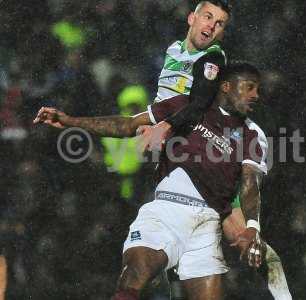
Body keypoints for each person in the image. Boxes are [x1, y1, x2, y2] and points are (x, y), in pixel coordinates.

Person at [34, 62, 267, 300]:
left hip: (208, 225)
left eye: (258, 89)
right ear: (226, 86)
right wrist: (70, 121)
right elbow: (128, 124)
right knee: (133, 278)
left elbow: (250, 183)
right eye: (249, 87)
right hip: (167, 211)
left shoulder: (253, 135)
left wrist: (252, 227)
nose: (255, 95)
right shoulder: (185, 107)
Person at [138, 0, 292, 298]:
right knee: (170, 261)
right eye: (208, 17)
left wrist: (165, 126)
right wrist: (154, 121)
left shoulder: (213, 58)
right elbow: (167, 98)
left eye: (219, 23)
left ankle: (283, 295)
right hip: (177, 164)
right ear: (191, 18)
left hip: (205, 163)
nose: (211, 26)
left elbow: (197, 104)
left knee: (250, 244)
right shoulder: (173, 51)